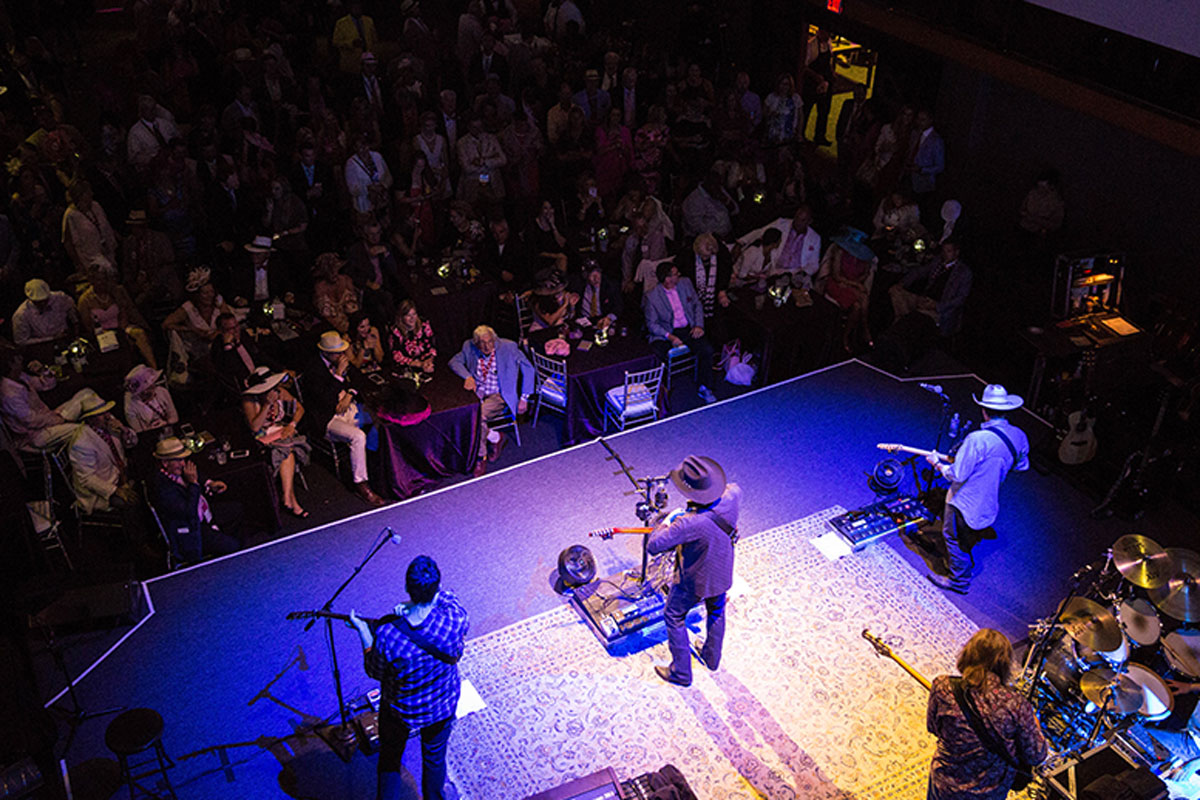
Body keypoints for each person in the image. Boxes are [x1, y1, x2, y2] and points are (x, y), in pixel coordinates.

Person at [347, 555, 469, 800]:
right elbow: (448, 596)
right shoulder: (455, 618)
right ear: (437, 588)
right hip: (441, 705)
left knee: (390, 758)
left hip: (401, 710)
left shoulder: (388, 635)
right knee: (434, 759)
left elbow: (374, 670)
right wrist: (417, 604)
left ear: (406, 588)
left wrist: (363, 631)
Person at [925, 385, 1029, 594]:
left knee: (952, 536)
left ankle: (959, 581)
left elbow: (956, 474)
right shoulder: (1019, 436)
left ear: (984, 410)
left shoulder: (977, 439)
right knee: (966, 534)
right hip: (989, 501)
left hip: (963, 501)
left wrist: (937, 463)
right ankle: (963, 559)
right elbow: (1021, 465)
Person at [648, 455, 741, 686]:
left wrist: (666, 522)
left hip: (693, 581)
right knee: (717, 611)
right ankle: (711, 657)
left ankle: (681, 673)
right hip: (722, 572)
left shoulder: (689, 523)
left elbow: (654, 545)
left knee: (673, 616)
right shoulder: (734, 494)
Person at [927, 629, 1046, 799]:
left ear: (967, 654)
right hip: (989, 792)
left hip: (944, 783)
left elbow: (933, 728)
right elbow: (1036, 755)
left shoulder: (942, 686)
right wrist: (1035, 723)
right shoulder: (1016, 705)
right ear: (1004, 664)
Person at [303, 330, 385, 506]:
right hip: (328, 417)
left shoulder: (340, 361)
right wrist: (338, 376)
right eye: (337, 352)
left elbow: (358, 379)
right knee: (357, 436)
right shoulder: (312, 369)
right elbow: (324, 400)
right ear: (325, 352)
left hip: (347, 407)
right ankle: (361, 484)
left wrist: (349, 394)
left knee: (381, 416)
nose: (342, 355)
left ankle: (369, 456)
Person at [448, 325, 535, 475]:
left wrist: (524, 397)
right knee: (461, 414)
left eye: (490, 342)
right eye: (482, 343)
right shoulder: (469, 347)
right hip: (479, 393)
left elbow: (529, 369)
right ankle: (496, 437)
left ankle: (480, 458)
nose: (487, 346)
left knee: (477, 417)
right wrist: (468, 376)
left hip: (499, 395)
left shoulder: (508, 347)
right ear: (476, 343)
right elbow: (454, 362)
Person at [147, 436, 241, 563]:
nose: (183, 464)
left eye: (183, 459)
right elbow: (188, 512)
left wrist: (209, 483)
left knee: (237, 509)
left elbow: (194, 473)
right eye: (178, 460)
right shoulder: (161, 488)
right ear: (165, 463)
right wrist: (194, 484)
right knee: (234, 547)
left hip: (204, 514)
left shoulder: (174, 470)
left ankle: (220, 537)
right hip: (192, 529)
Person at [0, 345, 102, 451]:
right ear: (10, 364)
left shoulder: (20, 377)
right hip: (37, 435)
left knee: (87, 393)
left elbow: (47, 385)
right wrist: (57, 420)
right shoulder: (9, 394)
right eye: (17, 358)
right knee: (84, 430)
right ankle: (103, 450)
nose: (21, 359)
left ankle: (107, 432)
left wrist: (42, 370)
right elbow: (31, 420)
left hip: (49, 418)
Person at [643, 261, 717, 404]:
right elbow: (651, 324)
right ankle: (660, 393)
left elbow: (697, 305)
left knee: (706, 350)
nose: (679, 276)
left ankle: (705, 386)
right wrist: (670, 337)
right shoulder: (652, 297)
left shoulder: (685, 283)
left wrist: (698, 325)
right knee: (657, 353)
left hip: (688, 327)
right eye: (676, 274)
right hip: (668, 330)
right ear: (667, 278)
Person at [242, 369, 310, 519]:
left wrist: (292, 425)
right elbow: (255, 427)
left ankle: (287, 497)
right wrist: (266, 405)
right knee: (288, 451)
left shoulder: (280, 392)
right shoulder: (249, 400)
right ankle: (291, 499)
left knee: (287, 449)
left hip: (280, 432)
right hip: (261, 438)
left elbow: (300, 409)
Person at [77, 260, 158, 368]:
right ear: (91, 281)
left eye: (103, 279)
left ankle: (154, 367)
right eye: (98, 280)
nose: (101, 283)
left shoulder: (117, 291)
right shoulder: (85, 300)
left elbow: (124, 310)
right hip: (101, 334)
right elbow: (88, 326)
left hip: (121, 327)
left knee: (139, 334)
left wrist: (121, 329)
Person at [12, 278, 78, 345]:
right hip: (42, 347)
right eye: (39, 302)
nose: (43, 304)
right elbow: (21, 341)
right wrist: (52, 339)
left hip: (67, 339)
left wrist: (75, 326)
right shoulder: (21, 315)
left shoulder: (61, 298)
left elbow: (72, 311)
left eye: (45, 300)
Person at [123, 364, 178, 433]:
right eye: (146, 389)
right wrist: (152, 429)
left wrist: (166, 423)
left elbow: (174, 417)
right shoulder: (130, 407)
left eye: (152, 386)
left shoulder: (162, 391)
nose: (151, 391)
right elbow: (139, 431)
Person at [388, 300, 437, 374]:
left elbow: (432, 347)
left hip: (426, 364)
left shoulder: (424, 325)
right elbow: (397, 357)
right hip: (406, 369)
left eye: (414, 314)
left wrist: (428, 362)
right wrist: (419, 364)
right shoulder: (395, 331)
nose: (412, 318)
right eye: (408, 315)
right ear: (402, 317)